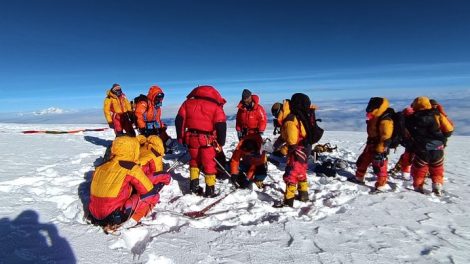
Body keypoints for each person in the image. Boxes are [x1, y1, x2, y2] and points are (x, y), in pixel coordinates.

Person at [88, 136, 171, 230]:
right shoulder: (130, 167)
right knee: (153, 195)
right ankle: (133, 220)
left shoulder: (100, 167)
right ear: (134, 149)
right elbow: (147, 190)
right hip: (115, 215)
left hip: (94, 213)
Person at [175, 85, 227, 197]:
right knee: (209, 164)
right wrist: (221, 142)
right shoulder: (216, 106)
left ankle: (194, 187)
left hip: (191, 138)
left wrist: (181, 137)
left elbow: (179, 120)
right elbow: (221, 125)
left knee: (194, 161)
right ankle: (210, 191)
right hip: (207, 140)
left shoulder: (187, 103)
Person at [275, 93, 316, 207]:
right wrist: (278, 142)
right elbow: (287, 135)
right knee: (301, 172)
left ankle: (288, 201)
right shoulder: (295, 117)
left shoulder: (290, 120)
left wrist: (283, 150)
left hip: (297, 150)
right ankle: (303, 195)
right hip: (305, 148)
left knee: (291, 174)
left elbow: (292, 142)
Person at [406, 96, 454, 196]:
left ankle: (418, 187)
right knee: (437, 168)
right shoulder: (437, 115)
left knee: (419, 169)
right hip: (438, 148)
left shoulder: (411, 118)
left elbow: (407, 134)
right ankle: (437, 185)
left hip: (421, 149)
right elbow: (449, 130)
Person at [354, 97, 394, 192]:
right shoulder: (375, 116)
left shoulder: (385, 120)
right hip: (371, 144)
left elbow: (386, 136)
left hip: (380, 146)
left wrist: (380, 150)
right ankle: (359, 178)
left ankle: (381, 185)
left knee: (380, 166)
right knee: (363, 160)